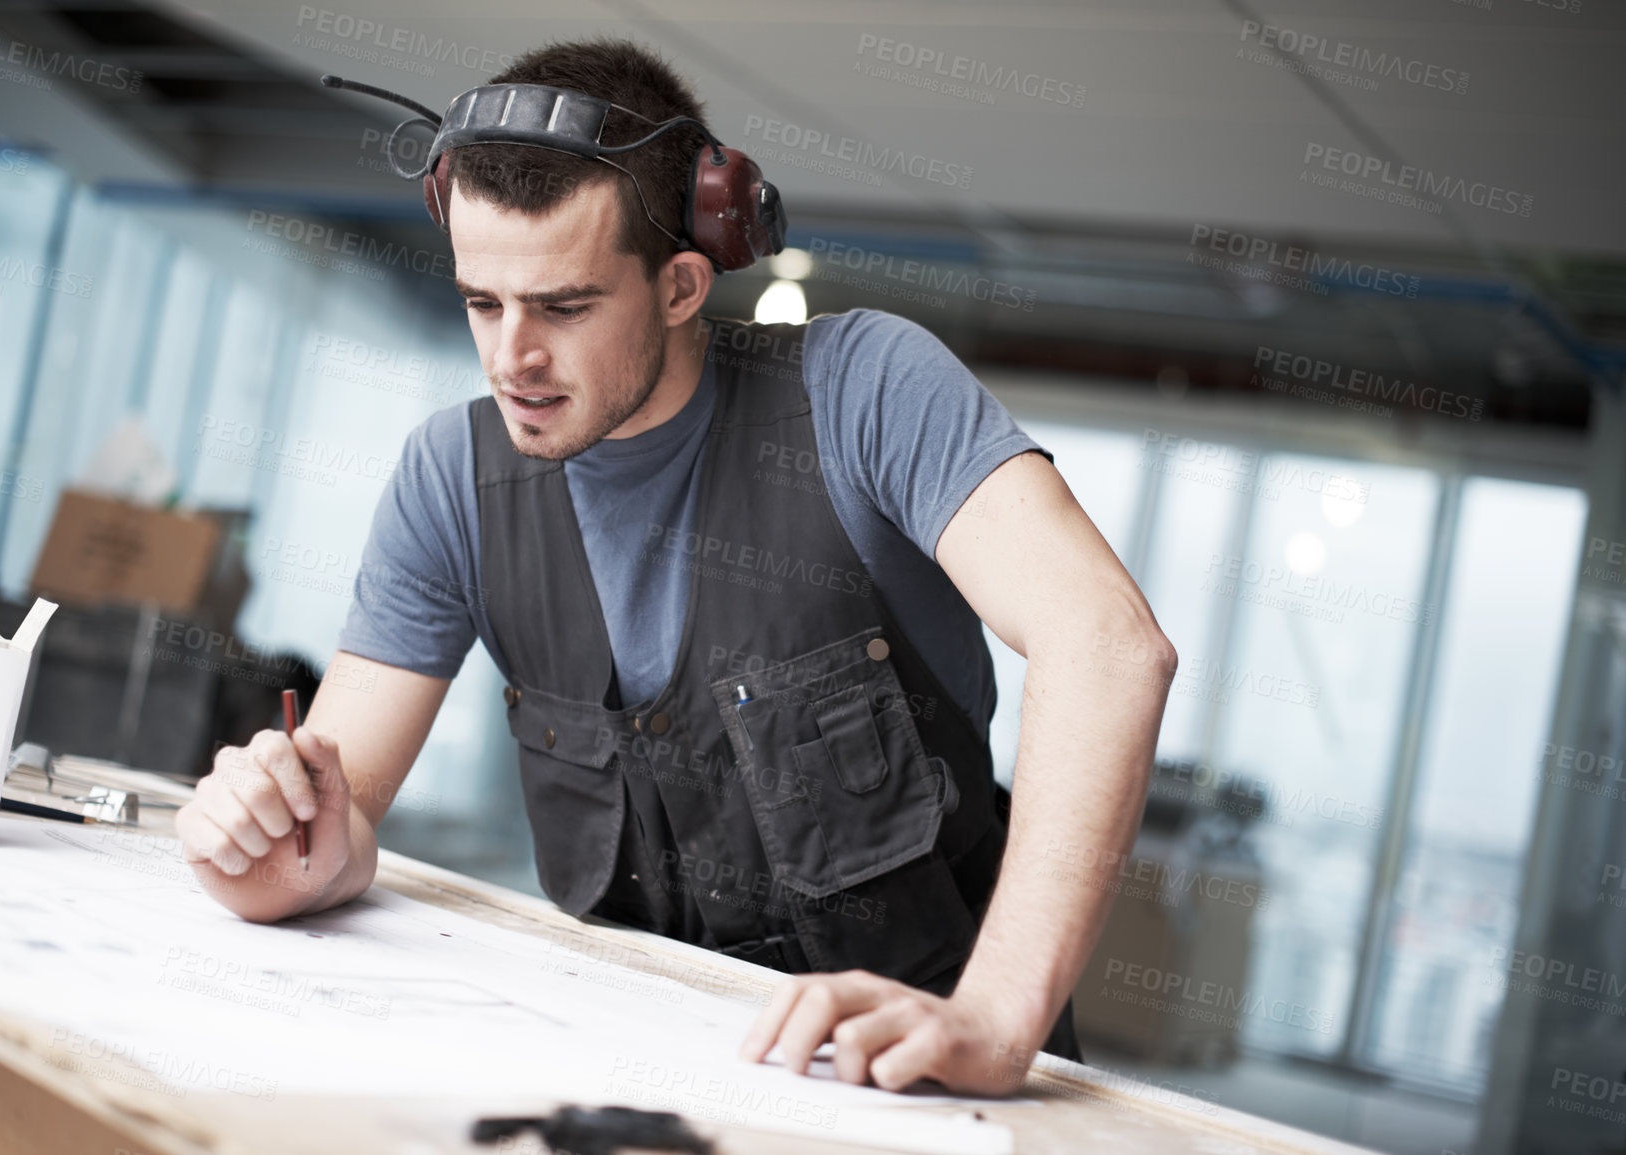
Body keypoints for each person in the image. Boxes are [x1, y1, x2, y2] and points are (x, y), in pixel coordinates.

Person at [177, 36, 1176, 1096]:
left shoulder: (864, 392)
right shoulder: (451, 482)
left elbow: (1107, 647)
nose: (512, 357)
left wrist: (994, 1016)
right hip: (659, 1074)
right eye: (483, 303)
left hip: (931, 1086)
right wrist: (266, 849)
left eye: (563, 308)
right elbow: (334, 831)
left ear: (683, 285)